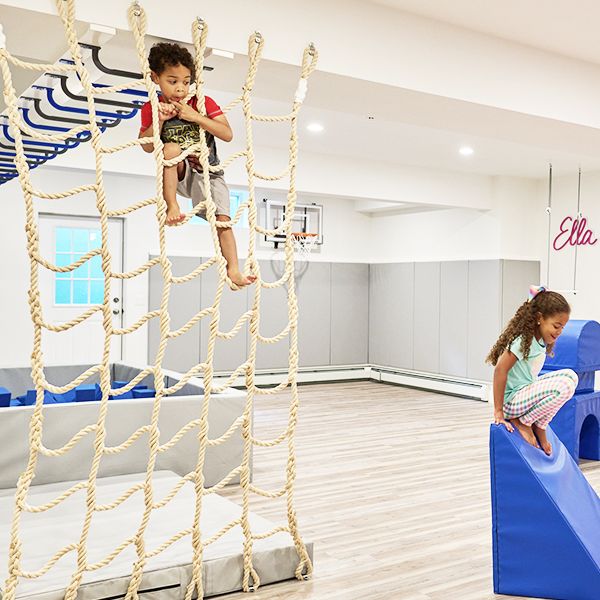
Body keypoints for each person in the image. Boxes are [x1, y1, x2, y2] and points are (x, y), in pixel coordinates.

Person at [139, 42, 256, 289]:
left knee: (223, 219)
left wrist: (196, 117)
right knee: (170, 148)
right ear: (155, 78)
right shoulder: (152, 106)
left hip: (208, 173)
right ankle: (172, 205)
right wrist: (158, 122)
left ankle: (233, 269)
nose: (180, 88)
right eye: (172, 81)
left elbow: (227, 134)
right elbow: (147, 146)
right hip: (178, 173)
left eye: (186, 81)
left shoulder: (202, 102)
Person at [486, 286, 577, 455]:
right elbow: (500, 370)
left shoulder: (539, 340)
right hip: (511, 402)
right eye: (556, 326)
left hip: (523, 395)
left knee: (571, 377)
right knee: (563, 386)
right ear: (539, 318)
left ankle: (540, 425)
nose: (559, 332)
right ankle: (525, 421)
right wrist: (498, 411)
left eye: (562, 327)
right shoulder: (522, 341)